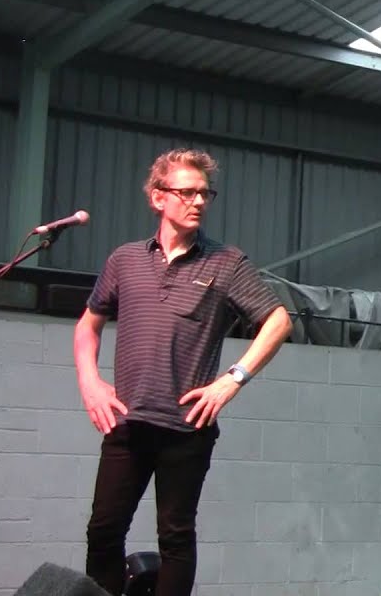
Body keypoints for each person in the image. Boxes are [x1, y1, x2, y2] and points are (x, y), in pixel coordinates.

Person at [74, 148, 292, 595]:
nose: (197, 202)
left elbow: (279, 321)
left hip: (186, 428)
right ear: (158, 197)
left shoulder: (225, 263)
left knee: (175, 537)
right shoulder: (125, 259)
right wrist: (91, 383)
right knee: (103, 531)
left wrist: (232, 380)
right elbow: (87, 326)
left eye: (204, 194)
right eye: (186, 193)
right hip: (127, 422)